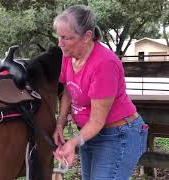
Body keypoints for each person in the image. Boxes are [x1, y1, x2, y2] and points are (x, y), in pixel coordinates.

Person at [52, 5, 148, 180]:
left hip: (118, 135)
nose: (60, 43)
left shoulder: (104, 64)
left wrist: (73, 142)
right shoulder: (69, 55)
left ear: (87, 36)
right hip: (89, 134)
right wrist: (61, 122)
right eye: (59, 37)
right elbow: (68, 89)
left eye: (67, 38)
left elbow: (97, 120)